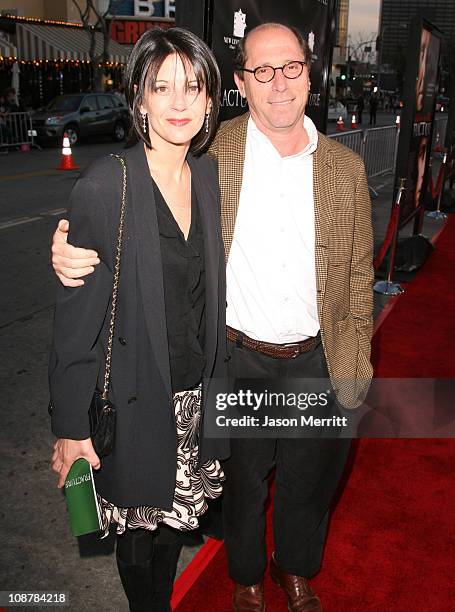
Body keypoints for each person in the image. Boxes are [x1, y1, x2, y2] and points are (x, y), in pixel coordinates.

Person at [51, 22, 374, 612]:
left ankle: (295, 569)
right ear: (241, 86)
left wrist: (358, 368)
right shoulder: (216, 151)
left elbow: (357, 280)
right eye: (262, 71)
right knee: (239, 488)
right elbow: (124, 207)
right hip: (234, 357)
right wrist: (69, 242)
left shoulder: (342, 170)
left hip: (314, 360)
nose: (279, 83)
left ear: (310, 73)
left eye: (291, 68)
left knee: (304, 484)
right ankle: (246, 578)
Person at [49, 27, 228, 612]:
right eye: (162, 87)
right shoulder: (106, 186)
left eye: (193, 86)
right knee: (135, 535)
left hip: (193, 398)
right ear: (140, 99)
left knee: (173, 524)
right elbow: (76, 325)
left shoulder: (207, 176)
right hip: (132, 396)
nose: (179, 102)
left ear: (209, 101)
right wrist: (72, 428)